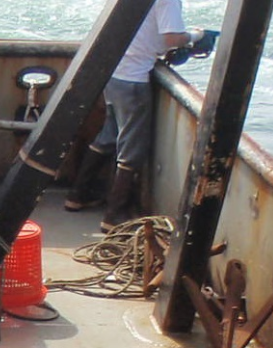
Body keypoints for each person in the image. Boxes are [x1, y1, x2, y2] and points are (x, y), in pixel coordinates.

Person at [65, 0, 201, 226]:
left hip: (114, 72)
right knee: (132, 149)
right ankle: (114, 215)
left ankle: (78, 195)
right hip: (133, 80)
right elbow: (171, 39)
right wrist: (196, 35)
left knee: (109, 135)